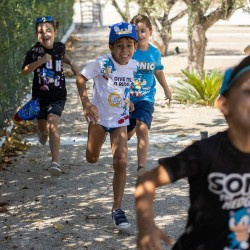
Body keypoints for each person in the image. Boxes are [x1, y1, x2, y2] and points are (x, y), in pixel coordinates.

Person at [134, 55, 250, 249]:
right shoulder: (206, 152)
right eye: (248, 90)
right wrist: (147, 227)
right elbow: (146, 181)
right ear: (224, 105)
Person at [75, 22, 138, 229]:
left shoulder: (134, 66)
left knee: (121, 161)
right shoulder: (102, 63)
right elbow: (81, 78)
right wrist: (86, 103)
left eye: (129, 45)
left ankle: (117, 209)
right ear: (111, 47)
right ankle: (92, 145)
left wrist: (129, 101)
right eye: (119, 45)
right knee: (91, 158)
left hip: (120, 120)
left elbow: (124, 87)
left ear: (135, 47)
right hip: (99, 119)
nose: (124, 50)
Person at [21, 16, 79, 176]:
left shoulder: (60, 47)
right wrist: (39, 61)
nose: (44, 34)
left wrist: (72, 64)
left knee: (53, 123)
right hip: (39, 98)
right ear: (36, 35)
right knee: (43, 126)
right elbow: (24, 70)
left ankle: (55, 162)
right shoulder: (34, 51)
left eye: (48, 30)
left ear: (55, 32)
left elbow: (63, 56)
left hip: (57, 96)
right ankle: (42, 133)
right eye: (40, 32)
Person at [128, 14, 172, 176]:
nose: (140, 35)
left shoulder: (154, 53)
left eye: (143, 31)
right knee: (125, 135)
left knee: (143, 127)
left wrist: (167, 90)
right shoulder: (129, 51)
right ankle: (130, 128)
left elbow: (158, 71)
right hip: (127, 99)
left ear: (150, 32)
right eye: (136, 31)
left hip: (146, 98)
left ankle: (141, 167)